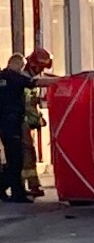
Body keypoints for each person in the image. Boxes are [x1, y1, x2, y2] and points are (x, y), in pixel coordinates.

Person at [0, 54, 58, 203]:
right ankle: (16, 193)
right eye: (21, 66)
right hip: (13, 123)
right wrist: (60, 81)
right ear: (16, 64)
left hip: (4, 124)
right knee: (16, 160)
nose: (22, 69)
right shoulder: (15, 77)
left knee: (12, 158)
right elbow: (35, 82)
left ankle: (8, 190)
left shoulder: (2, 76)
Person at [21, 49, 55, 198]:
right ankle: (28, 185)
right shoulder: (23, 79)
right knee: (26, 154)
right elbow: (26, 105)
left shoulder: (30, 77)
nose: (40, 71)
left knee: (27, 154)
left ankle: (29, 185)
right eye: (40, 67)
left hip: (27, 123)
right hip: (21, 122)